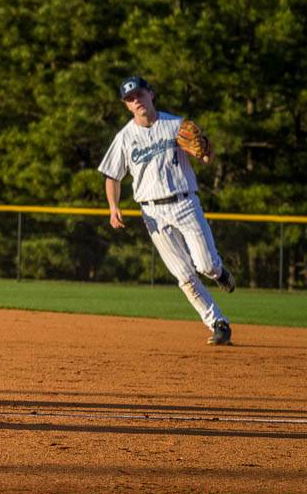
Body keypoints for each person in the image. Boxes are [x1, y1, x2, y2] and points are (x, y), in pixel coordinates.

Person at [99, 76, 235, 345]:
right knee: (184, 275)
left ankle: (219, 272)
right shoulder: (124, 137)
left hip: (185, 203)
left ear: (151, 94)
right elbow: (112, 177)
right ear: (126, 106)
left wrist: (207, 149)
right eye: (129, 99)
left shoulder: (175, 124)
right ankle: (218, 323)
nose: (136, 101)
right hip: (153, 213)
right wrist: (113, 207)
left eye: (139, 95)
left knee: (206, 265)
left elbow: (206, 157)